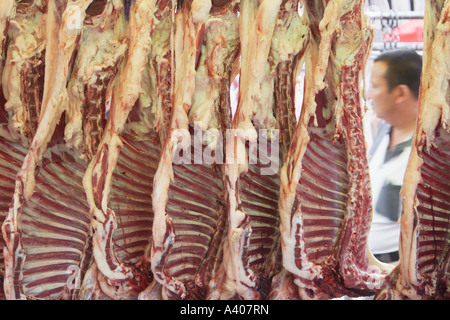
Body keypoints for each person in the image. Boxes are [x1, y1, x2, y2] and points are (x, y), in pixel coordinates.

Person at [366, 49, 422, 264]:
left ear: (400, 93)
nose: (369, 94)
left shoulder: (429, 151)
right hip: (366, 269)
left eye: (375, 85)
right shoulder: (383, 131)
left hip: (401, 269)